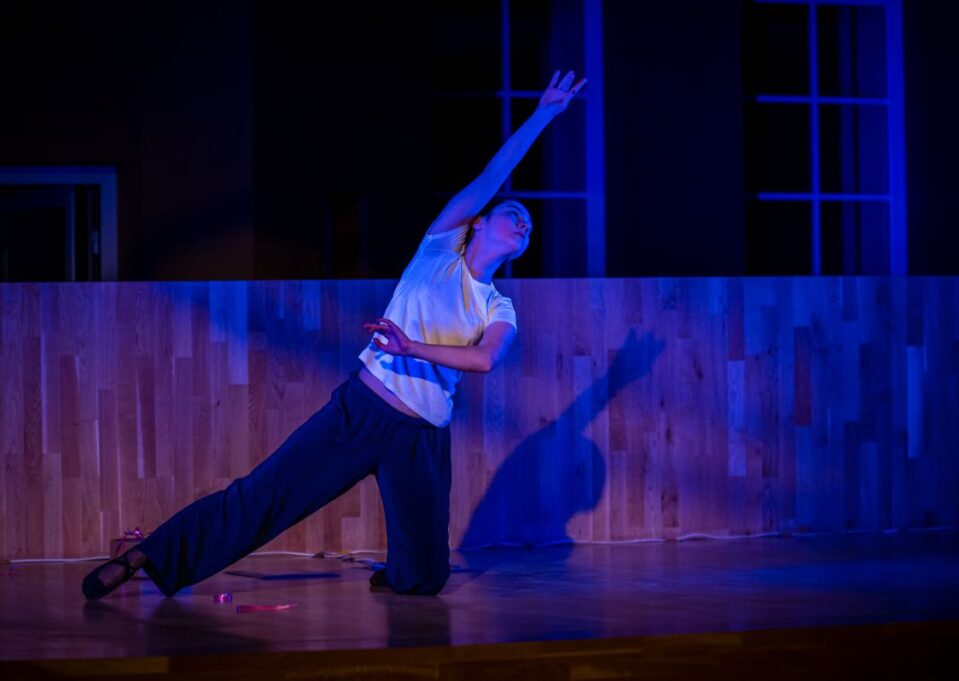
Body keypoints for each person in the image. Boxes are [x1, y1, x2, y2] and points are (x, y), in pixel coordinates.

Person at [82, 69, 587, 599]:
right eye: (513, 213)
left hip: (421, 437)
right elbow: (493, 173)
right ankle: (148, 552)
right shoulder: (439, 250)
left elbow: (485, 359)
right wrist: (544, 114)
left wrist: (412, 347)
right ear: (478, 223)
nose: (523, 223)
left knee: (425, 579)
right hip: (362, 412)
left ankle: (396, 574)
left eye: (529, 225)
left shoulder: (498, 305)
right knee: (264, 497)